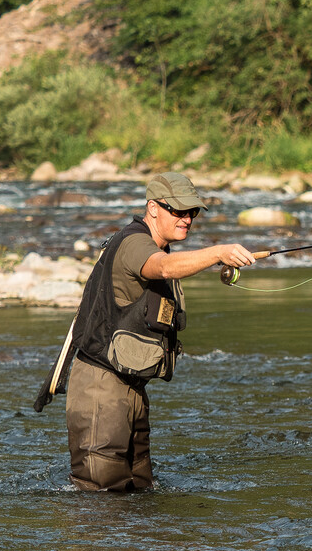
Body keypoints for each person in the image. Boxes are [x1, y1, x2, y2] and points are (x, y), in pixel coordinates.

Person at [33, 172, 255, 491]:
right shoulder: (135, 243)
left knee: (142, 497)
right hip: (101, 390)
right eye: (178, 211)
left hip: (132, 390)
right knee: (101, 504)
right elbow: (161, 268)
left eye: (192, 212)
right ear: (153, 207)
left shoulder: (158, 248)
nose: (187, 219)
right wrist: (217, 253)